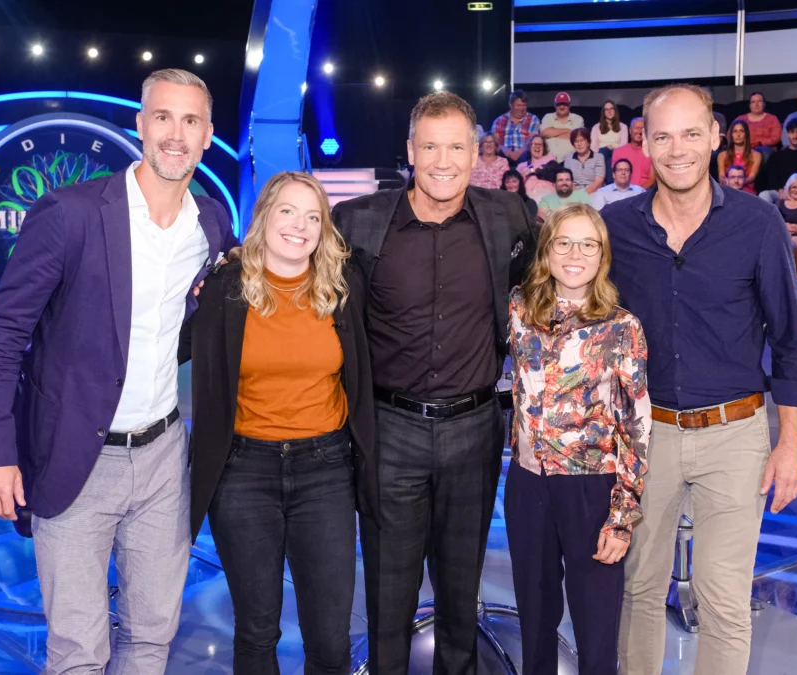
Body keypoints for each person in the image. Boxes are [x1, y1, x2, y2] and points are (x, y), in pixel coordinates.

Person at [0, 69, 239, 675]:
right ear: (141, 126)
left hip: (165, 457)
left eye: (190, 120)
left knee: (151, 636)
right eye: (163, 118)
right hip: (73, 457)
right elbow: (4, 334)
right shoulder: (70, 213)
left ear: (208, 134)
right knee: (77, 650)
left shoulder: (212, 225)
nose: (176, 134)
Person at [601, 83, 797, 675]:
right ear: (643, 142)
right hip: (645, 438)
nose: (678, 149)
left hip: (734, 434)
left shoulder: (758, 224)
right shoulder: (614, 227)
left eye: (692, 133)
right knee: (638, 591)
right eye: (662, 136)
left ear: (717, 138)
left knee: (723, 601)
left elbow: (790, 342)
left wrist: (790, 442)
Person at [332, 90, 538, 675]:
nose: (442, 161)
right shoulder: (359, 222)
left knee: (458, 595)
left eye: (455, 147)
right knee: (387, 598)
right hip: (388, 431)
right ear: (410, 151)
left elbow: (557, 283)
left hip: (475, 432)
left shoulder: (509, 218)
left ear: (476, 153)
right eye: (429, 146)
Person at [181, 171, 377, 674]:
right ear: (265, 215)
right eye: (288, 211)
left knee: (331, 640)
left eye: (314, 216)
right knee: (256, 631)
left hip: (326, 471)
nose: (301, 225)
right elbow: (167, 344)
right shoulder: (224, 286)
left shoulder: (343, 284)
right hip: (244, 473)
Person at [506, 202, 650, 675]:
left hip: (592, 489)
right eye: (564, 242)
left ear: (602, 256)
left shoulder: (622, 327)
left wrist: (623, 515)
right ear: (547, 252)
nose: (575, 253)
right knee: (535, 623)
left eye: (588, 244)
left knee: (595, 633)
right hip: (529, 485)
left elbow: (636, 425)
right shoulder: (519, 310)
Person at [761, 117, 797, 204]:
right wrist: (779, 189)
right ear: (788, 134)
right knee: (764, 195)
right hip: (782, 193)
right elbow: (771, 177)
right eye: (792, 132)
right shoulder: (777, 156)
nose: (795, 136)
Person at [493, 89, 541, 165]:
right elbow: (495, 142)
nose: (521, 108)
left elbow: (532, 141)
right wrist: (508, 152)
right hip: (504, 155)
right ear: (511, 105)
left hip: (524, 155)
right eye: (518, 105)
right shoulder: (499, 120)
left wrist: (517, 154)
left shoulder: (533, 119)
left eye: (524, 105)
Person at [718, 120, 760, 194]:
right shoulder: (722, 155)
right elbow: (721, 176)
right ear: (731, 135)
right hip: (728, 189)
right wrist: (727, 182)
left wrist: (738, 182)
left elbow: (752, 177)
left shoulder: (756, 155)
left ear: (746, 134)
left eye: (741, 131)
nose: (738, 134)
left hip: (747, 191)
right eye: (735, 131)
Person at [611, 117, 655, 188]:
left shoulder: (652, 152)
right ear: (630, 131)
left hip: (645, 192)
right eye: (637, 128)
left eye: (642, 129)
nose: (639, 131)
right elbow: (616, 178)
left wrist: (637, 193)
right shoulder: (618, 152)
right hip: (624, 192)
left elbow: (652, 180)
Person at [516, 133, 559, 202]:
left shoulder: (550, 158)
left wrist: (530, 171)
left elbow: (553, 174)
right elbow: (516, 183)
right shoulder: (521, 166)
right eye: (534, 144)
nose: (537, 147)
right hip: (528, 200)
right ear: (530, 147)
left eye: (540, 144)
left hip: (548, 197)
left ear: (544, 147)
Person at [563, 127, 606, 194]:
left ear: (588, 142)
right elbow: (568, 180)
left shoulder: (599, 157)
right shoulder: (568, 159)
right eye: (576, 141)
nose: (579, 144)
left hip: (594, 191)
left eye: (582, 140)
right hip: (574, 192)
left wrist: (584, 195)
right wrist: (577, 194)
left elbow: (599, 181)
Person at [540, 91, 582, 160]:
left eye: (564, 104)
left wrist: (553, 132)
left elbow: (577, 136)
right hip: (549, 159)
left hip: (571, 159)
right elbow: (545, 133)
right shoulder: (548, 117)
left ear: (569, 105)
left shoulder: (577, 119)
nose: (562, 106)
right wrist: (568, 131)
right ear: (555, 105)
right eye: (559, 104)